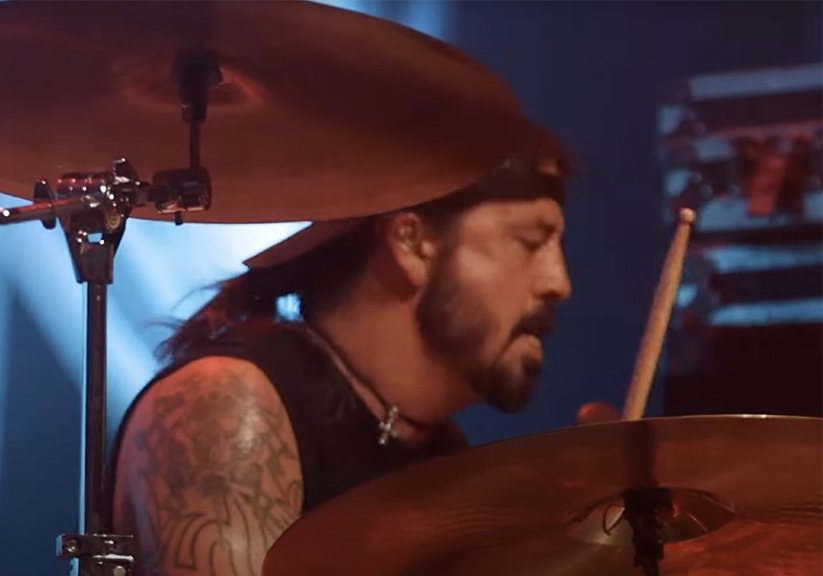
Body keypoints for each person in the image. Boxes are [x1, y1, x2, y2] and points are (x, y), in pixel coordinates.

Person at [108, 107, 578, 575]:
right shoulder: (228, 407)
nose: (559, 283)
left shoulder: (441, 455)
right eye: (529, 242)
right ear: (412, 243)